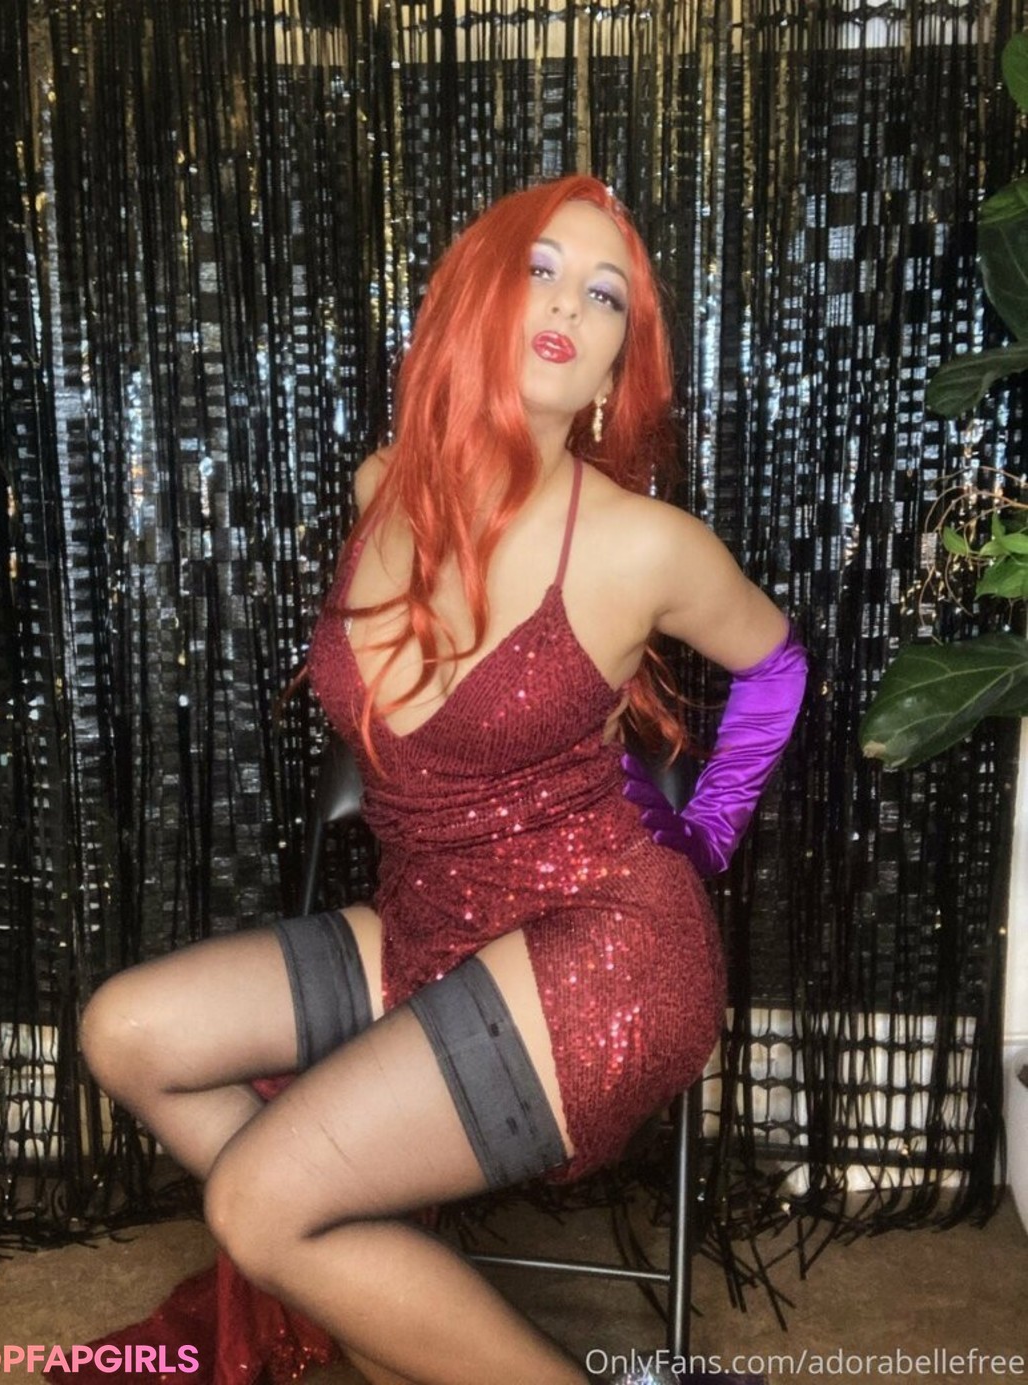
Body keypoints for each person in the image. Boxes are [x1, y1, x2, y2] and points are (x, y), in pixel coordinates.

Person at [78, 175, 805, 1385]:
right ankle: (368, 1282)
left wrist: (706, 827)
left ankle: (328, 1240)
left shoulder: (641, 544)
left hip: (602, 943)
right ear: (476, 297)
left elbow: (776, 666)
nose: (569, 305)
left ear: (617, 366)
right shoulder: (383, 490)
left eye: (606, 295)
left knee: (256, 1204)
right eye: (541, 270)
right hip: (431, 915)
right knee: (127, 1032)